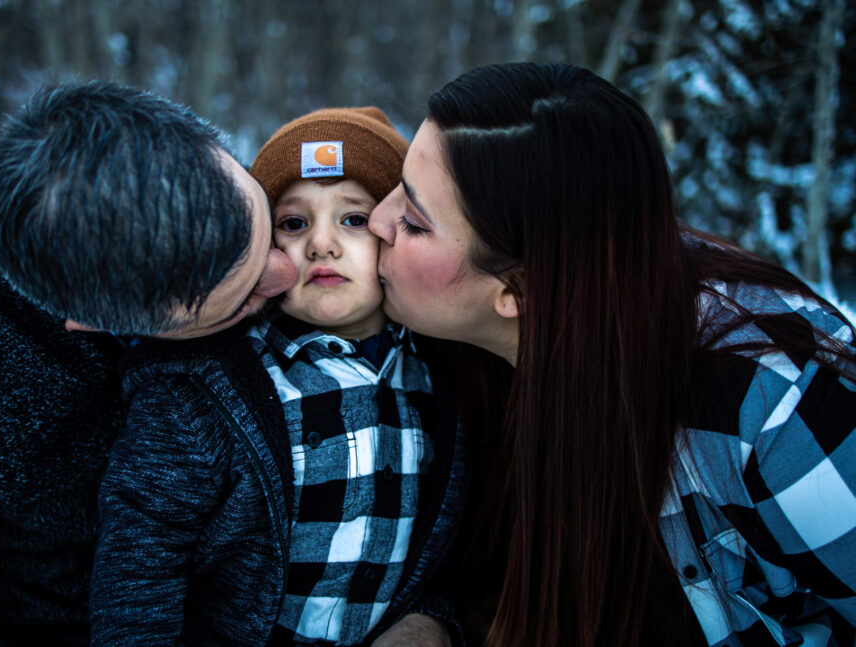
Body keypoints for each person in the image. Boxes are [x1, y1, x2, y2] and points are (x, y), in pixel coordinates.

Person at [367, 62, 856, 646]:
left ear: (518, 290)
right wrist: (433, 622)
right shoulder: (436, 347)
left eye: (414, 222)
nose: (377, 220)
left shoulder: (776, 407)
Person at [0, 81, 298, 646]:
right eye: (242, 301)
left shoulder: (304, 213)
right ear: (93, 323)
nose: (287, 274)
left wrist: (428, 612)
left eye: (264, 221)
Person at [91, 107, 465, 646]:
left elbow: (445, 542)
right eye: (294, 223)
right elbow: (140, 563)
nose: (321, 244)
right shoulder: (209, 390)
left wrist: (433, 619)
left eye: (353, 219)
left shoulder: (435, 374)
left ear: (395, 230)